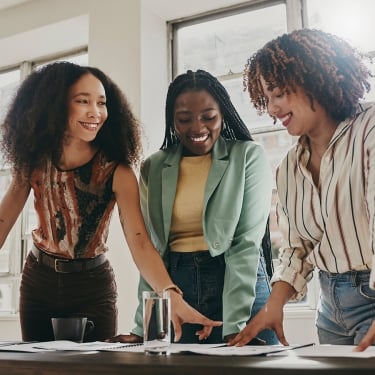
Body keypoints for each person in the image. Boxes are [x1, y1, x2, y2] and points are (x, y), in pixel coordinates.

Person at [0, 61, 221, 342]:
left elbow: (140, 240)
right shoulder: (34, 162)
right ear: (55, 105)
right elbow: (4, 220)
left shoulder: (118, 171)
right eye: (83, 101)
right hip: (38, 281)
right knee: (39, 369)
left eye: (102, 103)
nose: (96, 112)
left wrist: (170, 295)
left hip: (91, 286)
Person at [227, 28, 375, 351]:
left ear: (314, 78)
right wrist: (274, 304)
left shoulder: (370, 129)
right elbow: (297, 248)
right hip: (330, 307)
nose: (271, 109)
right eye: (266, 99)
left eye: (278, 94)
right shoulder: (289, 168)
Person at [109, 69, 279, 344]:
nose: (197, 128)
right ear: (172, 121)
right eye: (184, 119)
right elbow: (153, 250)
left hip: (239, 286)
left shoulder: (247, 156)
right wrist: (144, 325)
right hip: (179, 291)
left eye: (208, 117)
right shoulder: (154, 167)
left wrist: (234, 325)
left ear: (222, 115)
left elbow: (245, 243)